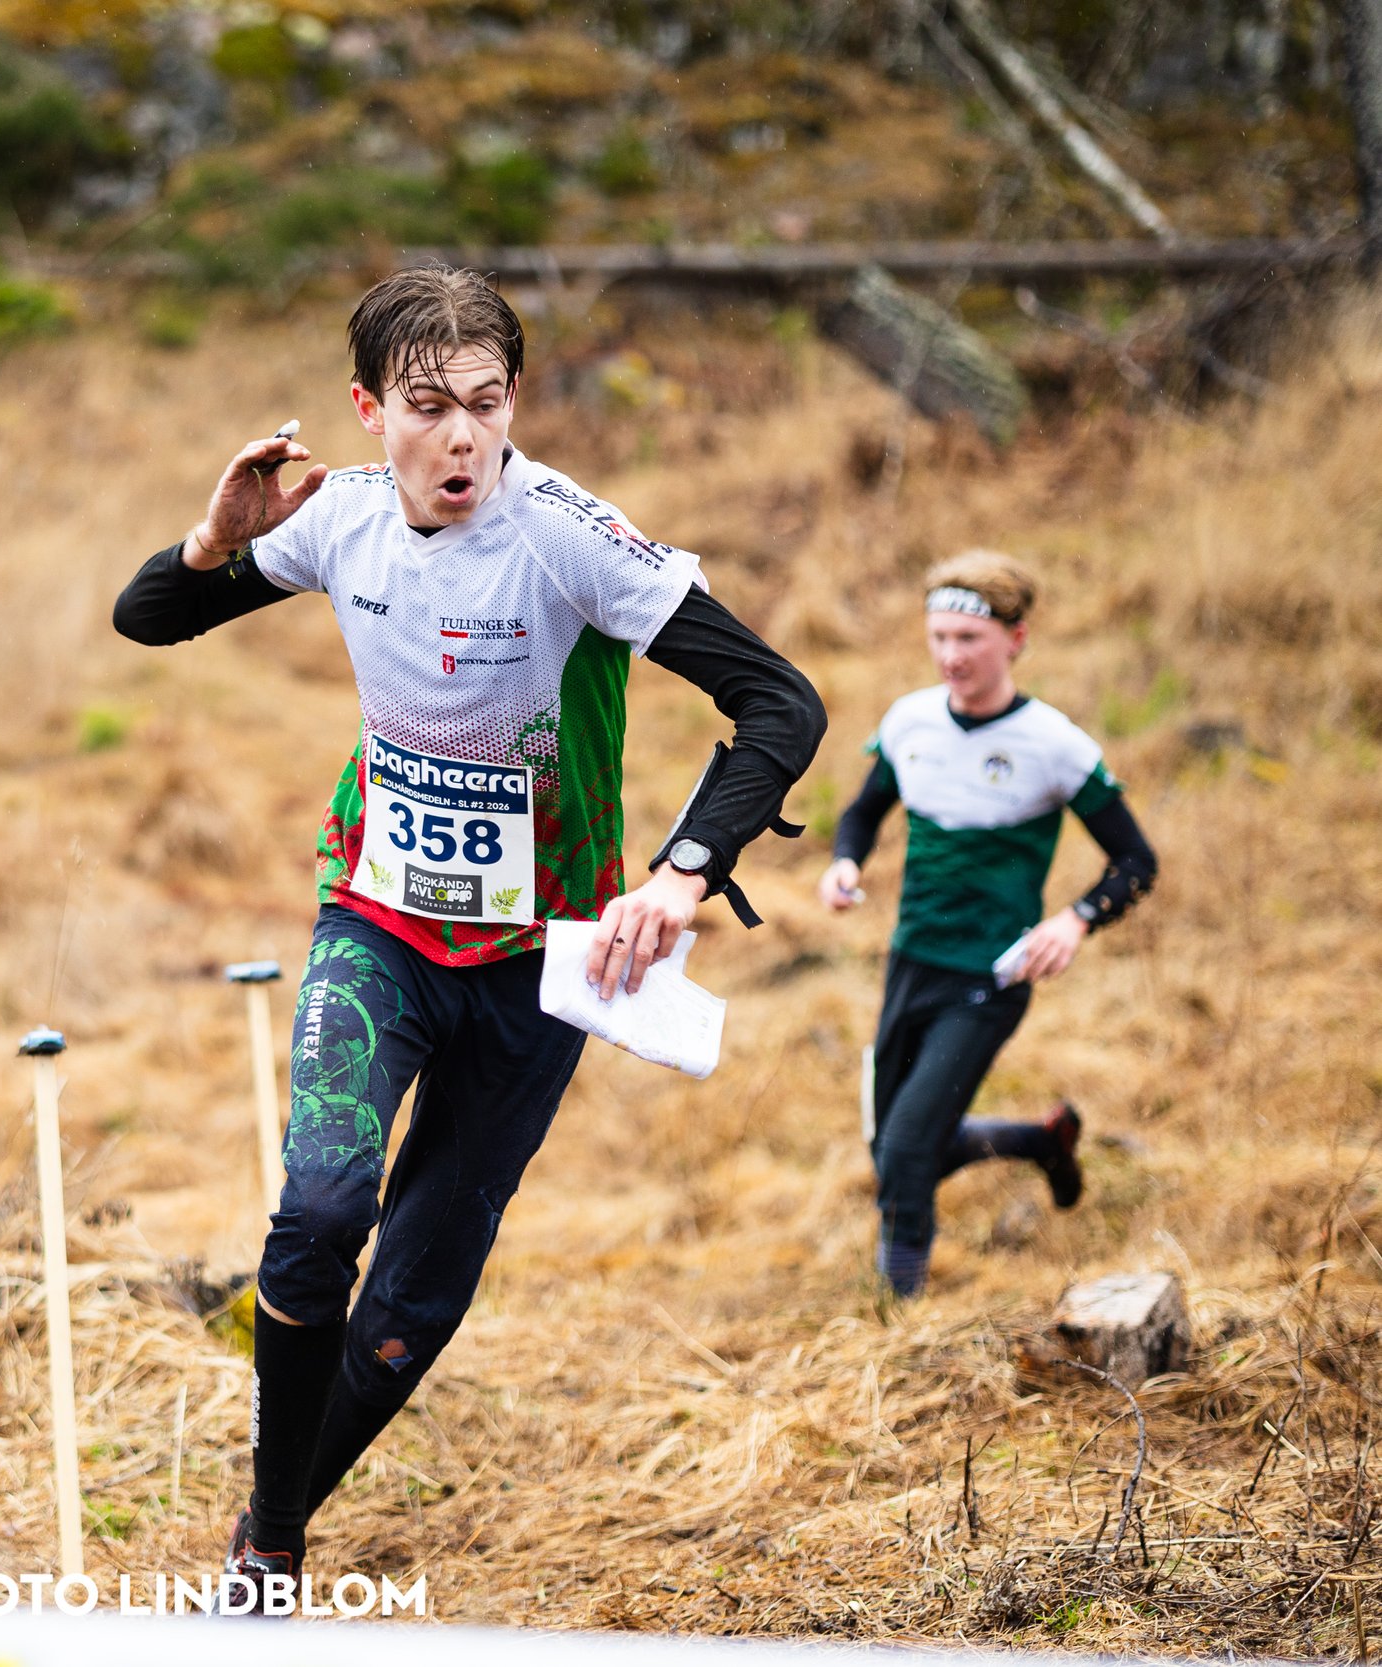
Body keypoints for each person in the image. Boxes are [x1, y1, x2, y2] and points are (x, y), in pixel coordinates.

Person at [111, 266, 826, 1609]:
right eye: (428, 407)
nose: (462, 440)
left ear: (514, 403)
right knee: (318, 1212)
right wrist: (215, 543)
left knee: (410, 1307)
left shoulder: (572, 540)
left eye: (487, 406)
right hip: (375, 919)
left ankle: (263, 1539)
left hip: (538, 967)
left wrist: (680, 873)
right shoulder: (343, 520)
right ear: (369, 408)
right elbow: (148, 617)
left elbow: (781, 702)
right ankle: (269, 1546)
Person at [819, 550, 1158, 1300]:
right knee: (896, 1149)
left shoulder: (1054, 743)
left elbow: (1135, 860)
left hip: (992, 973)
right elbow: (864, 810)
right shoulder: (909, 720)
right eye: (939, 637)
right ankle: (1041, 1140)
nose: (950, 656)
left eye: (968, 639)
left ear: (1016, 638)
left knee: (905, 1150)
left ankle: (895, 1322)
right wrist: (846, 862)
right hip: (913, 959)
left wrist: (1074, 921)